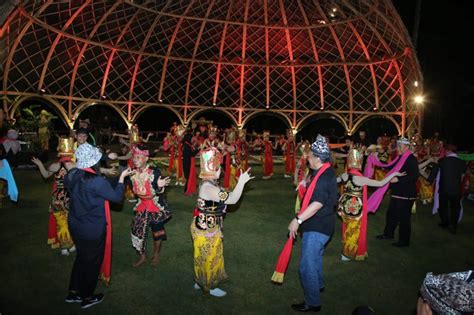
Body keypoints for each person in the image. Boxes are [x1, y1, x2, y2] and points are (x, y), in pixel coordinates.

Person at [64, 143, 132, 309]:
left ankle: (73, 292)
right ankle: (87, 296)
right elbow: (117, 197)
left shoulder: (71, 175)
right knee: (92, 262)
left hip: (75, 224)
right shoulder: (96, 182)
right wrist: (122, 178)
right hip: (92, 229)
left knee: (81, 257)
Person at [191, 147, 253, 297]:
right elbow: (232, 199)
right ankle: (210, 286)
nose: (221, 171)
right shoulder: (208, 187)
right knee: (211, 256)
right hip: (207, 228)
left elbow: (223, 196)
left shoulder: (208, 183)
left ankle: (200, 280)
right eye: (219, 168)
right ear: (214, 170)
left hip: (205, 224)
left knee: (202, 256)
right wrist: (242, 182)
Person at [287, 135, 337, 312]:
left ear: (317, 158)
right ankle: (318, 285)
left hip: (318, 227)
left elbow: (317, 204)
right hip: (323, 225)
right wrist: (304, 182)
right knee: (315, 260)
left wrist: (297, 219)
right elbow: (314, 185)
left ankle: (313, 302)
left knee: (306, 267)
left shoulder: (323, 177)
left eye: (309, 155)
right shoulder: (323, 171)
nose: (307, 157)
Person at [337, 148, 406, 261]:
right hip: (355, 208)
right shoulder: (361, 179)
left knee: (347, 227)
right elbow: (381, 183)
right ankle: (347, 254)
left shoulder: (345, 175)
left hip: (344, 206)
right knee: (354, 230)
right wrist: (393, 173)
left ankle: (346, 251)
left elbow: (335, 181)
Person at [31, 137, 76, 256]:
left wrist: (40, 164)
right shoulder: (75, 165)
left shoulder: (54, 165)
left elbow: (45, 175)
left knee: (61, 223)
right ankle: (68, 245)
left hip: (58, 197)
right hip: (71, 197)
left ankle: (65, 247)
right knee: (71, 221)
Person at [129, 144, 172, 267]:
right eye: (134, 158)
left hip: (154, 205)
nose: (135, 160)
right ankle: (142, 256)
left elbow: (158, 191)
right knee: (137, 231)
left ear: (146, 158)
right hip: (141, 205)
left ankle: (156, 254)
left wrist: (159, 186)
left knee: (157, 231)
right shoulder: (132, 172)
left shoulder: (154, 172)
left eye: (139, 157)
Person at [376, 137, 419, 247]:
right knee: (391, 214)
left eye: (400, 146)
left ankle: (404, 241)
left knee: (404, 218)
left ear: (407, 147)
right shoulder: (400, 158)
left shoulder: (411, 159)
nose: (398, 148)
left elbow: (414, 176)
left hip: (406, 194)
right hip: (397, 192)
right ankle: (388, 234)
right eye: (398, 146)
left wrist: (398, 179)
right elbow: (390, 166)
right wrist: (377, 160)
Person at [429, 144, 467, 234]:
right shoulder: (462, 162)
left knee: (443, 207)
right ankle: (453, 226)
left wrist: (430, 179)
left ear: (448, 151)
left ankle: (445, 222)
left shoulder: (442, 160)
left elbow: (434, 171)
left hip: (444, 188)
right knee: (455, 208)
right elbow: (463, 175)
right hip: (455, 189)